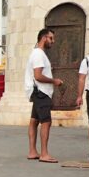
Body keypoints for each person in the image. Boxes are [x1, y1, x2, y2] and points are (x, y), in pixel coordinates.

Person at [25, 28, 64, 163]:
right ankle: (44, 153)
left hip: (37, 91)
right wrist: (54, 81)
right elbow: (38, 76)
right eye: (51, 38)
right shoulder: (39, 54)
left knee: (34, 121)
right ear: (43, 38)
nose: (53, 41)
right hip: (41, 92)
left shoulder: (37, 53)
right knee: (46, 122)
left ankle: (32, 151)